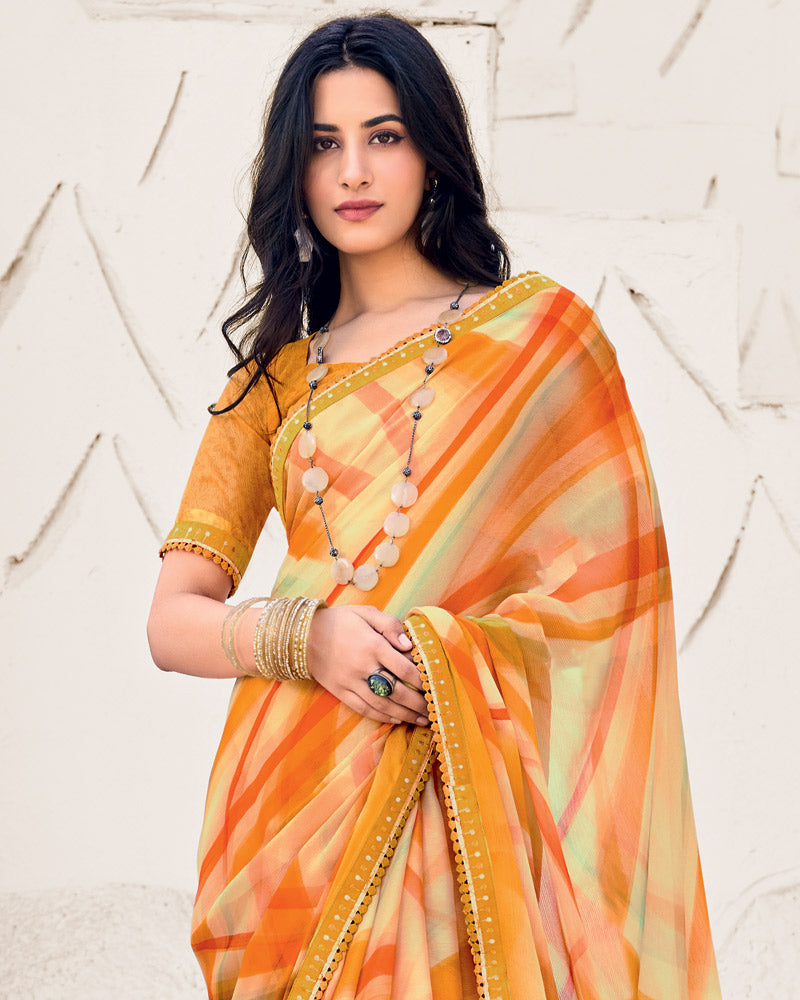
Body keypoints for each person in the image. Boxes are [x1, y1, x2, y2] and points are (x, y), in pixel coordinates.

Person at [147, 13, 721, 1000]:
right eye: (323, 144)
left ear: (431, 153)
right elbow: (172, 620)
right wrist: (310, 638)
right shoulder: (270, 385)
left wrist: (450, 662)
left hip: (469, 812)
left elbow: (607, 611)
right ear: (294, 172)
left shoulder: (540, 341)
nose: (353, 172)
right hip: (288, 814)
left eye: (384, 135)